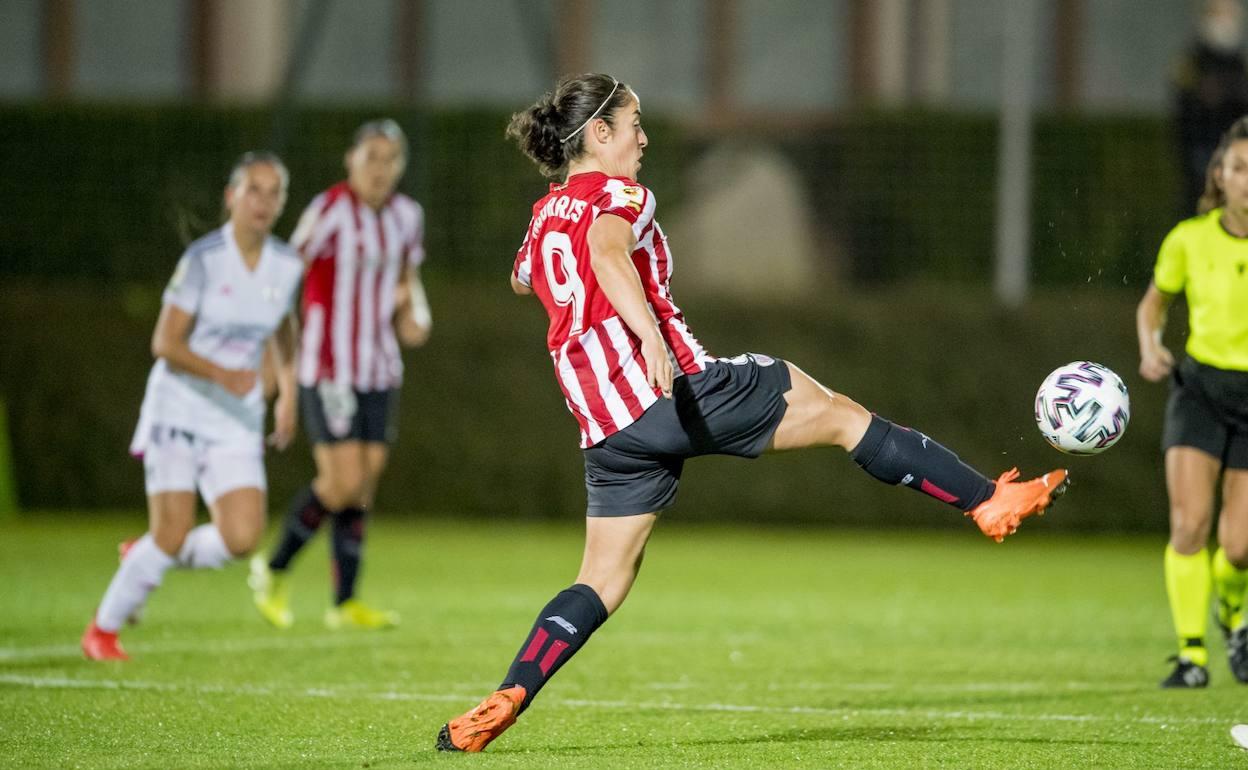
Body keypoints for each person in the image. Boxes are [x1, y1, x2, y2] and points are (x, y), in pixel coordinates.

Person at [433, 73, 1069, 752]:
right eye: (634, 124)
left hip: (608, 429)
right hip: (671, 392)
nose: (644, 139)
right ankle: (986, 501)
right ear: (599, 133)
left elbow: (524, 275)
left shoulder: (544, 214)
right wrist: (647, 334)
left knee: (602, 578)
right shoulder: (620, 193)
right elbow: (606, 251)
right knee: (839, 413)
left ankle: (508, 695)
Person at [81, 152, 303, 661]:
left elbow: (285, 330)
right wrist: (223, 373)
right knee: (173, 531)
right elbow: (165, 342)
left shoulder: (287, 264)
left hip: (236, 418)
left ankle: (144, 556)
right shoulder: (203, 259)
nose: (264, 202)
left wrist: (287, 391)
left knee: (242, 538)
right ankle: (103, 629)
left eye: (274, 192)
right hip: (178, 408)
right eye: (254, 190)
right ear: (232, 197)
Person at [248, 119, 431, 631]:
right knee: (343, 480)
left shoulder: (405, 216)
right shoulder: (328, 210)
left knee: (364, 483)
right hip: (328, 366)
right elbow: (285, 272)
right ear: (350, 160)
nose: (380, 168)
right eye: (371, 156)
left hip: (380, 366)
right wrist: (271, 353)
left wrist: (414, 312)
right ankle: (274, 566)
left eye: (390, 158)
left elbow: (407, 279)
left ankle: (344, 602)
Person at [1138, 115, 1248, 689]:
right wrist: (1151, 348)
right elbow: (1153, 306)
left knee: (1240, 546)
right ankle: (1191, 656)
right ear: (1220, 175)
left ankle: (1232, 607)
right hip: (1200, 391)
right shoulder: (1189, 238)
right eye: (1239, 167)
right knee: (1189, 526)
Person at [1173, 0, 1248, 214]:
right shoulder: (1193, 62)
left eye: (1230, 15)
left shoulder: (1239, 63)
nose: (1225, 22)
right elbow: (1184, 112)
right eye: (1219, 14)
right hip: (1200, 158)